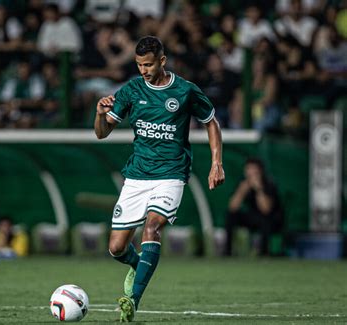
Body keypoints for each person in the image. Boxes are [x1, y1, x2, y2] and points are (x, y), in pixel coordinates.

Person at [94, 36, 225, 322]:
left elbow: (211, 122)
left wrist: (217, 163)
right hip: (137, 175)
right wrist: (99, 114)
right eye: (139, 64)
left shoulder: (185, 90)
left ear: (162, 61)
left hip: (171, 174)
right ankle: (137, 265)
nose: (143, 70)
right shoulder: (131, 90)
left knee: (152, 229)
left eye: (149, 64)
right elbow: (102, 133)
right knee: (116, 248)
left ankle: (132, 300)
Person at [224, 158, 283, 257]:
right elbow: (232, 207)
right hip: (254, 217)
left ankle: (264, 253)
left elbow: (266, 210)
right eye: (248, 170)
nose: (251, 174)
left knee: (265, 220)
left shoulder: (269, 184)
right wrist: (241, 191)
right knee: (231, 216)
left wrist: (259, 189)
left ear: (260, 171)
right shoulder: (243, 183)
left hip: (271, 219)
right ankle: (227, 252)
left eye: (254, 171)